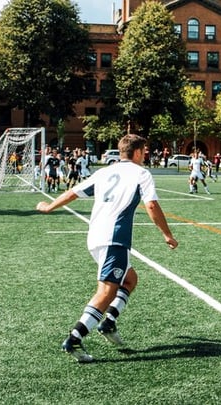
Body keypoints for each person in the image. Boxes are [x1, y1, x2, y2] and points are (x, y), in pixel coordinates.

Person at [36, 134, 178, 363]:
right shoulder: (141, 173)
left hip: (95, 236)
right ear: (138, 152)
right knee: (106, 292)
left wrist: (50, 206)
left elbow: (73, 192)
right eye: (145, 150)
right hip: (114, 238)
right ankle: (74, 338)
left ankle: (109, 323)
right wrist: (167, 234)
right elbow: (151, 204)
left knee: (130, 279)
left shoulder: (103, 172)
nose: (146, 154)